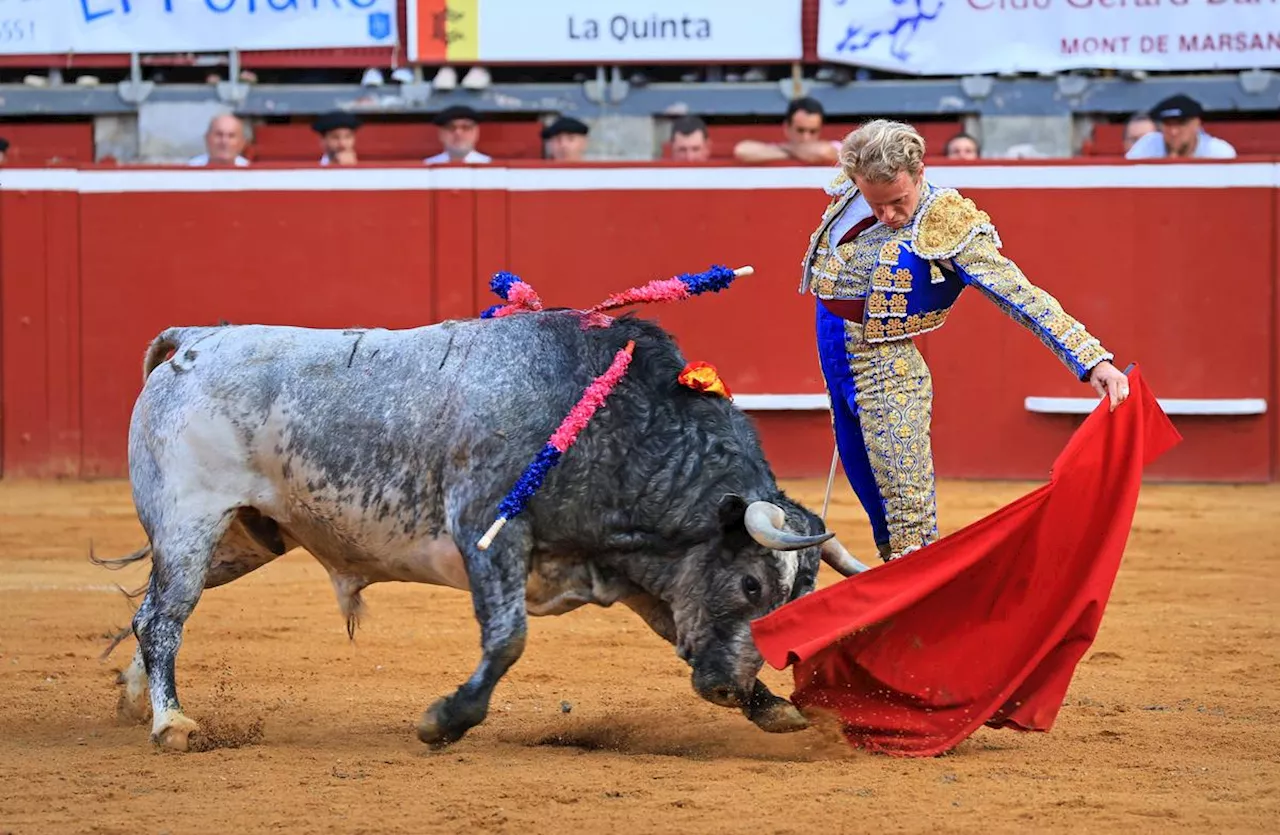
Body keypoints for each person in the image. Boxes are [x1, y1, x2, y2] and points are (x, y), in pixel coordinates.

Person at [800, 119, 1128, 562]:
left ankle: (922, 604)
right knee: (874, 500)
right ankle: (900, 597)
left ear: (919, 174)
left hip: (886, 372)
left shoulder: (946, 222)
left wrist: (1092, 361)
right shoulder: (856, 188)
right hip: (836, 361)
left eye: (898, 201)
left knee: (906, 519)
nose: (888, 216)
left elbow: (1019, 294)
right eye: (875, 204)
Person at [1126, 94, 1236, 160]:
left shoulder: (1217, 152)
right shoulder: (1148, 145)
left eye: (1181, 124)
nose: (1174, 132)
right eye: (1168, 124)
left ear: (1197, 124)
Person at [733, 97, 839, 165]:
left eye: (813, 131)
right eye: (800, 130)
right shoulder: (784, 148)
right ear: (787, 127)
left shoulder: (835, 146)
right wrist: (795, 151)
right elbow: (742, 150)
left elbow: (823, 152)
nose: (806, 137)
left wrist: (785, 149)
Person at [424, 104, 492, 165]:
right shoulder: (427, 167)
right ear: (441, 134)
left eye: (465, 127)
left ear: (476, 133)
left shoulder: (491, 167)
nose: (458, 133)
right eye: (451, 127)